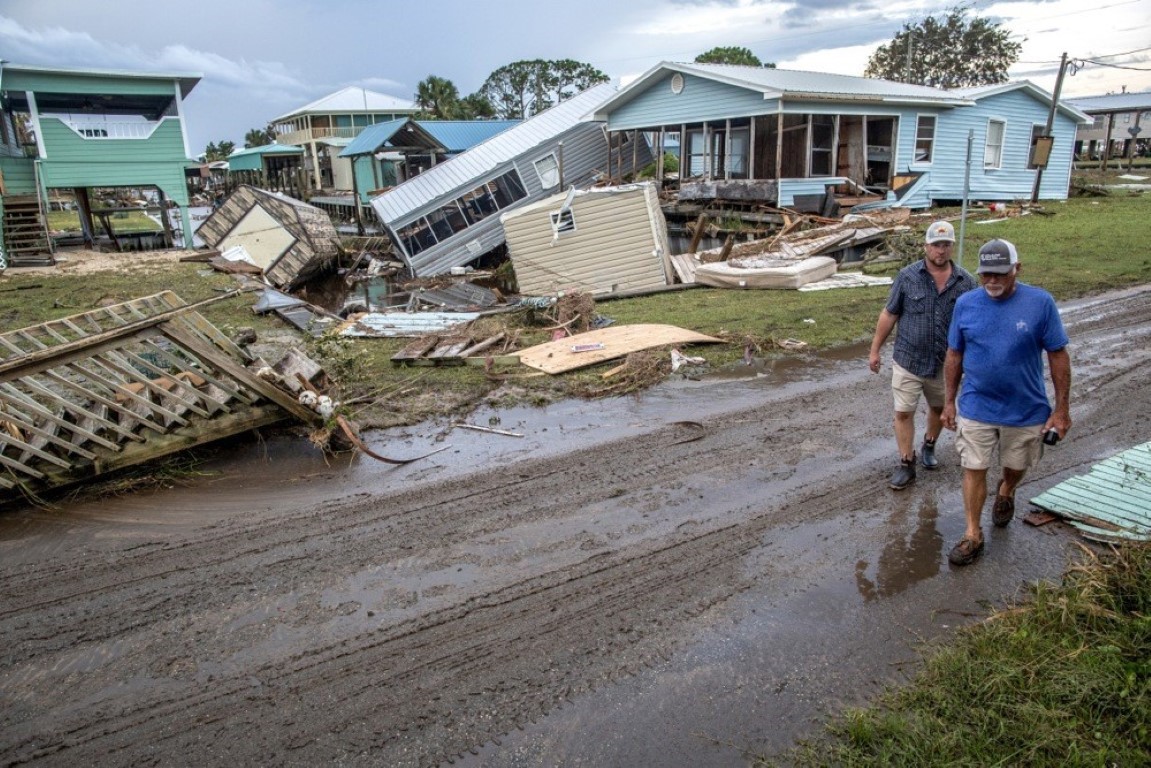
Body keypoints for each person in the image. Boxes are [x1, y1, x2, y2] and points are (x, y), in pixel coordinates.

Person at [940, 239, 1072, 566]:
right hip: (976, 406)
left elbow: (1058, 355)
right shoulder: (966, 304)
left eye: (1000, 274)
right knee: (973, 466)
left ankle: (1006, 490)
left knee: (1015, 466)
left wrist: (1061, 410)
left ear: (1017, 269)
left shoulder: (1040, 303)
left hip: (1025, 409)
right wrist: (949, 402)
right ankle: (973, 534)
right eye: (986, 274)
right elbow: (954, 354)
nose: (992, 281)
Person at [869, 221, 976, 490]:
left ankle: (929, 444)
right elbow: (890, 313)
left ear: (952, 247)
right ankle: (907, 463)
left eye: (946, 245)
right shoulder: (907, 276)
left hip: (945, 364)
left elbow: (975, 323)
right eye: (936, 245)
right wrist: (875, 350)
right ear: (926, 246)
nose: (941, 250)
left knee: (939, 409)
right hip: (908, 359)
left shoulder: (966, 282)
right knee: (903, 412)